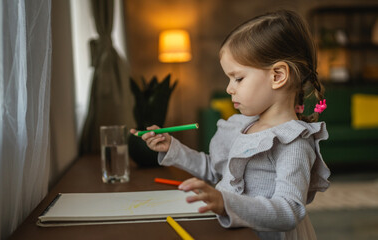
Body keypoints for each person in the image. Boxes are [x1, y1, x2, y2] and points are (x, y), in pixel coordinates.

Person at [130, 9, 330, 240]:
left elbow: (289, 210)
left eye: (238, 78)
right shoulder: (241, 126)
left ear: (278, 76)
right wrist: (172, 148)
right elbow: (215, 170)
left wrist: (225, 203)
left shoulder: (293, 142)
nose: (229, 88)